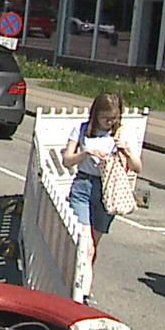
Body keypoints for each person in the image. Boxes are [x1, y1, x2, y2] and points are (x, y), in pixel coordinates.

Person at [60, 92, 142, 295]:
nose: (109, 122)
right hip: (83, 186)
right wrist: (85, 153)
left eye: (114, 118)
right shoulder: (81, 130)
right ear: (96, 114)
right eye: (105, 118)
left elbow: (137, 167)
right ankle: (81, 295)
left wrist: (126, 152)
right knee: (85, 245)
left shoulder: (121, 134)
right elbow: (67, 160)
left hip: (107, 190)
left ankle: (83, 284)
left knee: (92, 246)